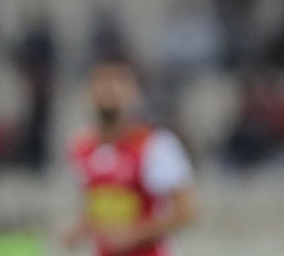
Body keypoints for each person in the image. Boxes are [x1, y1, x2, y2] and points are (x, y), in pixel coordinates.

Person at [62, 56, 196, 256]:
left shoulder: (155, 145)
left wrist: (134, 234)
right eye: (101, 81)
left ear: (133, 94)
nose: (108, 89)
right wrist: (81, 229)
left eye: (117, 82)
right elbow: (100, 207)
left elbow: (186, 211)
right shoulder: (81, 148)